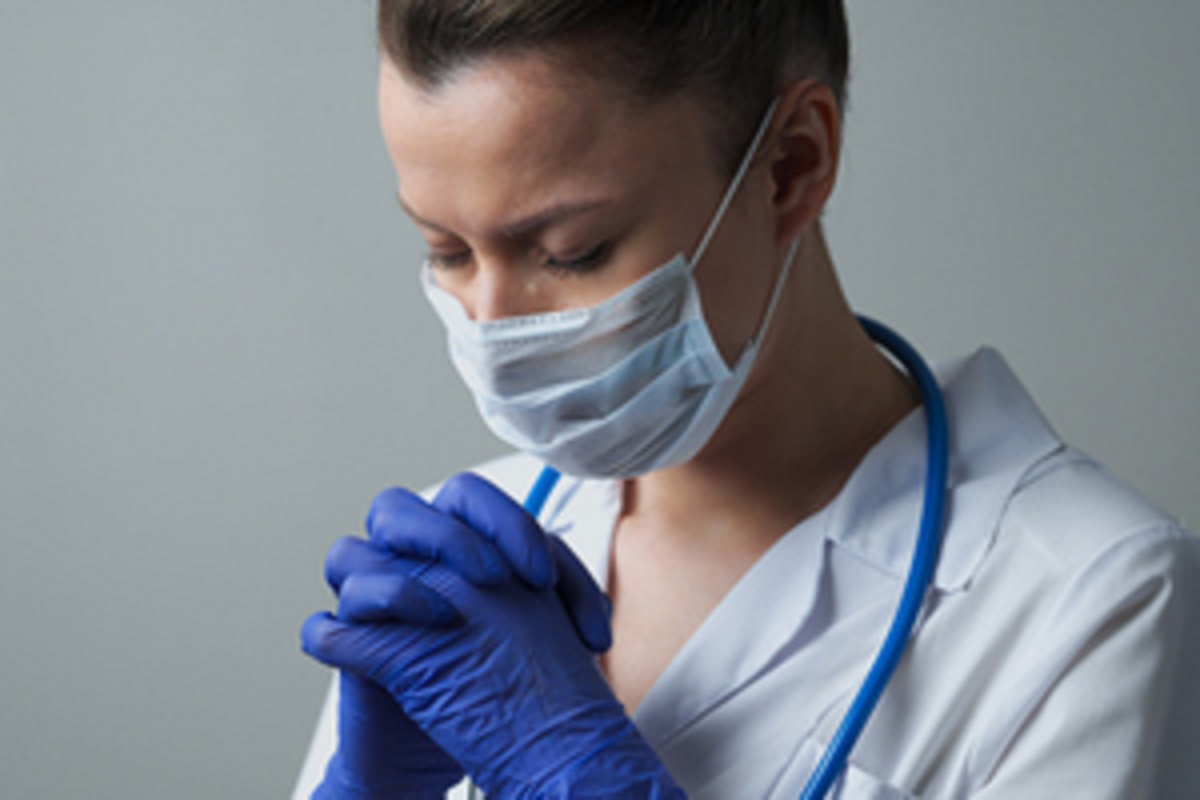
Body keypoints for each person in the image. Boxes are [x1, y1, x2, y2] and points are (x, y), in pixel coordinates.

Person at [295, 2, 1200, 797]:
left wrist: (573, 776)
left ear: (792, 165)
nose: (492, 326)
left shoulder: (1093, 600)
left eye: (572, 249)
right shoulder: (466, 583)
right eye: (446, 249)